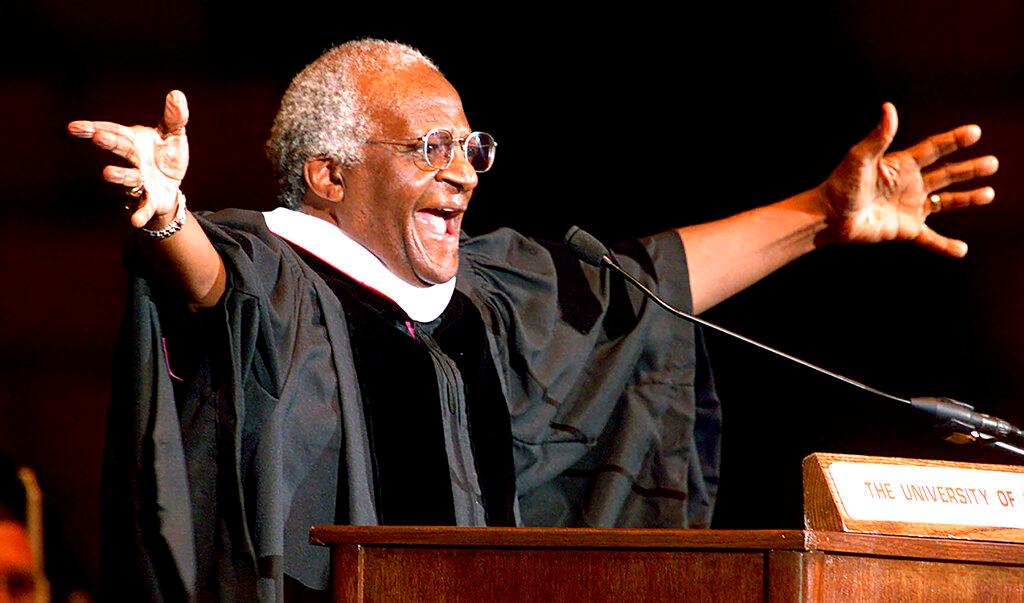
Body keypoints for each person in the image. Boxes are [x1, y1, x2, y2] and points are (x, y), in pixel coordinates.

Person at [68, 39, 997, 600]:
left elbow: (642, 287)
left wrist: (821, 216)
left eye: (469, 146)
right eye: (430, 147)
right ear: (329, 173)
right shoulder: (268, 271)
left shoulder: (488, 301)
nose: (465, 171)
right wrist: (166, 213)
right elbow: (199, 286)